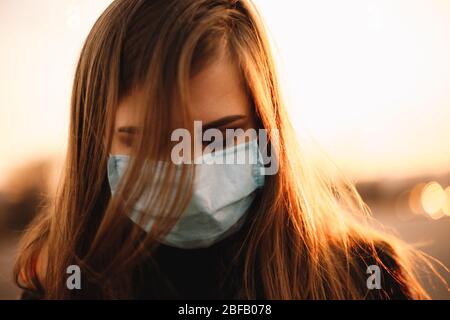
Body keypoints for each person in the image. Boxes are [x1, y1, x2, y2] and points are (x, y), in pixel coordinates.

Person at [15, 0, 434, 299]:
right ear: (96, 143)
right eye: (146, 140)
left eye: (221, 136)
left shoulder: (364, 278)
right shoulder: (59, 287)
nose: (190, 175)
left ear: (266, 127)